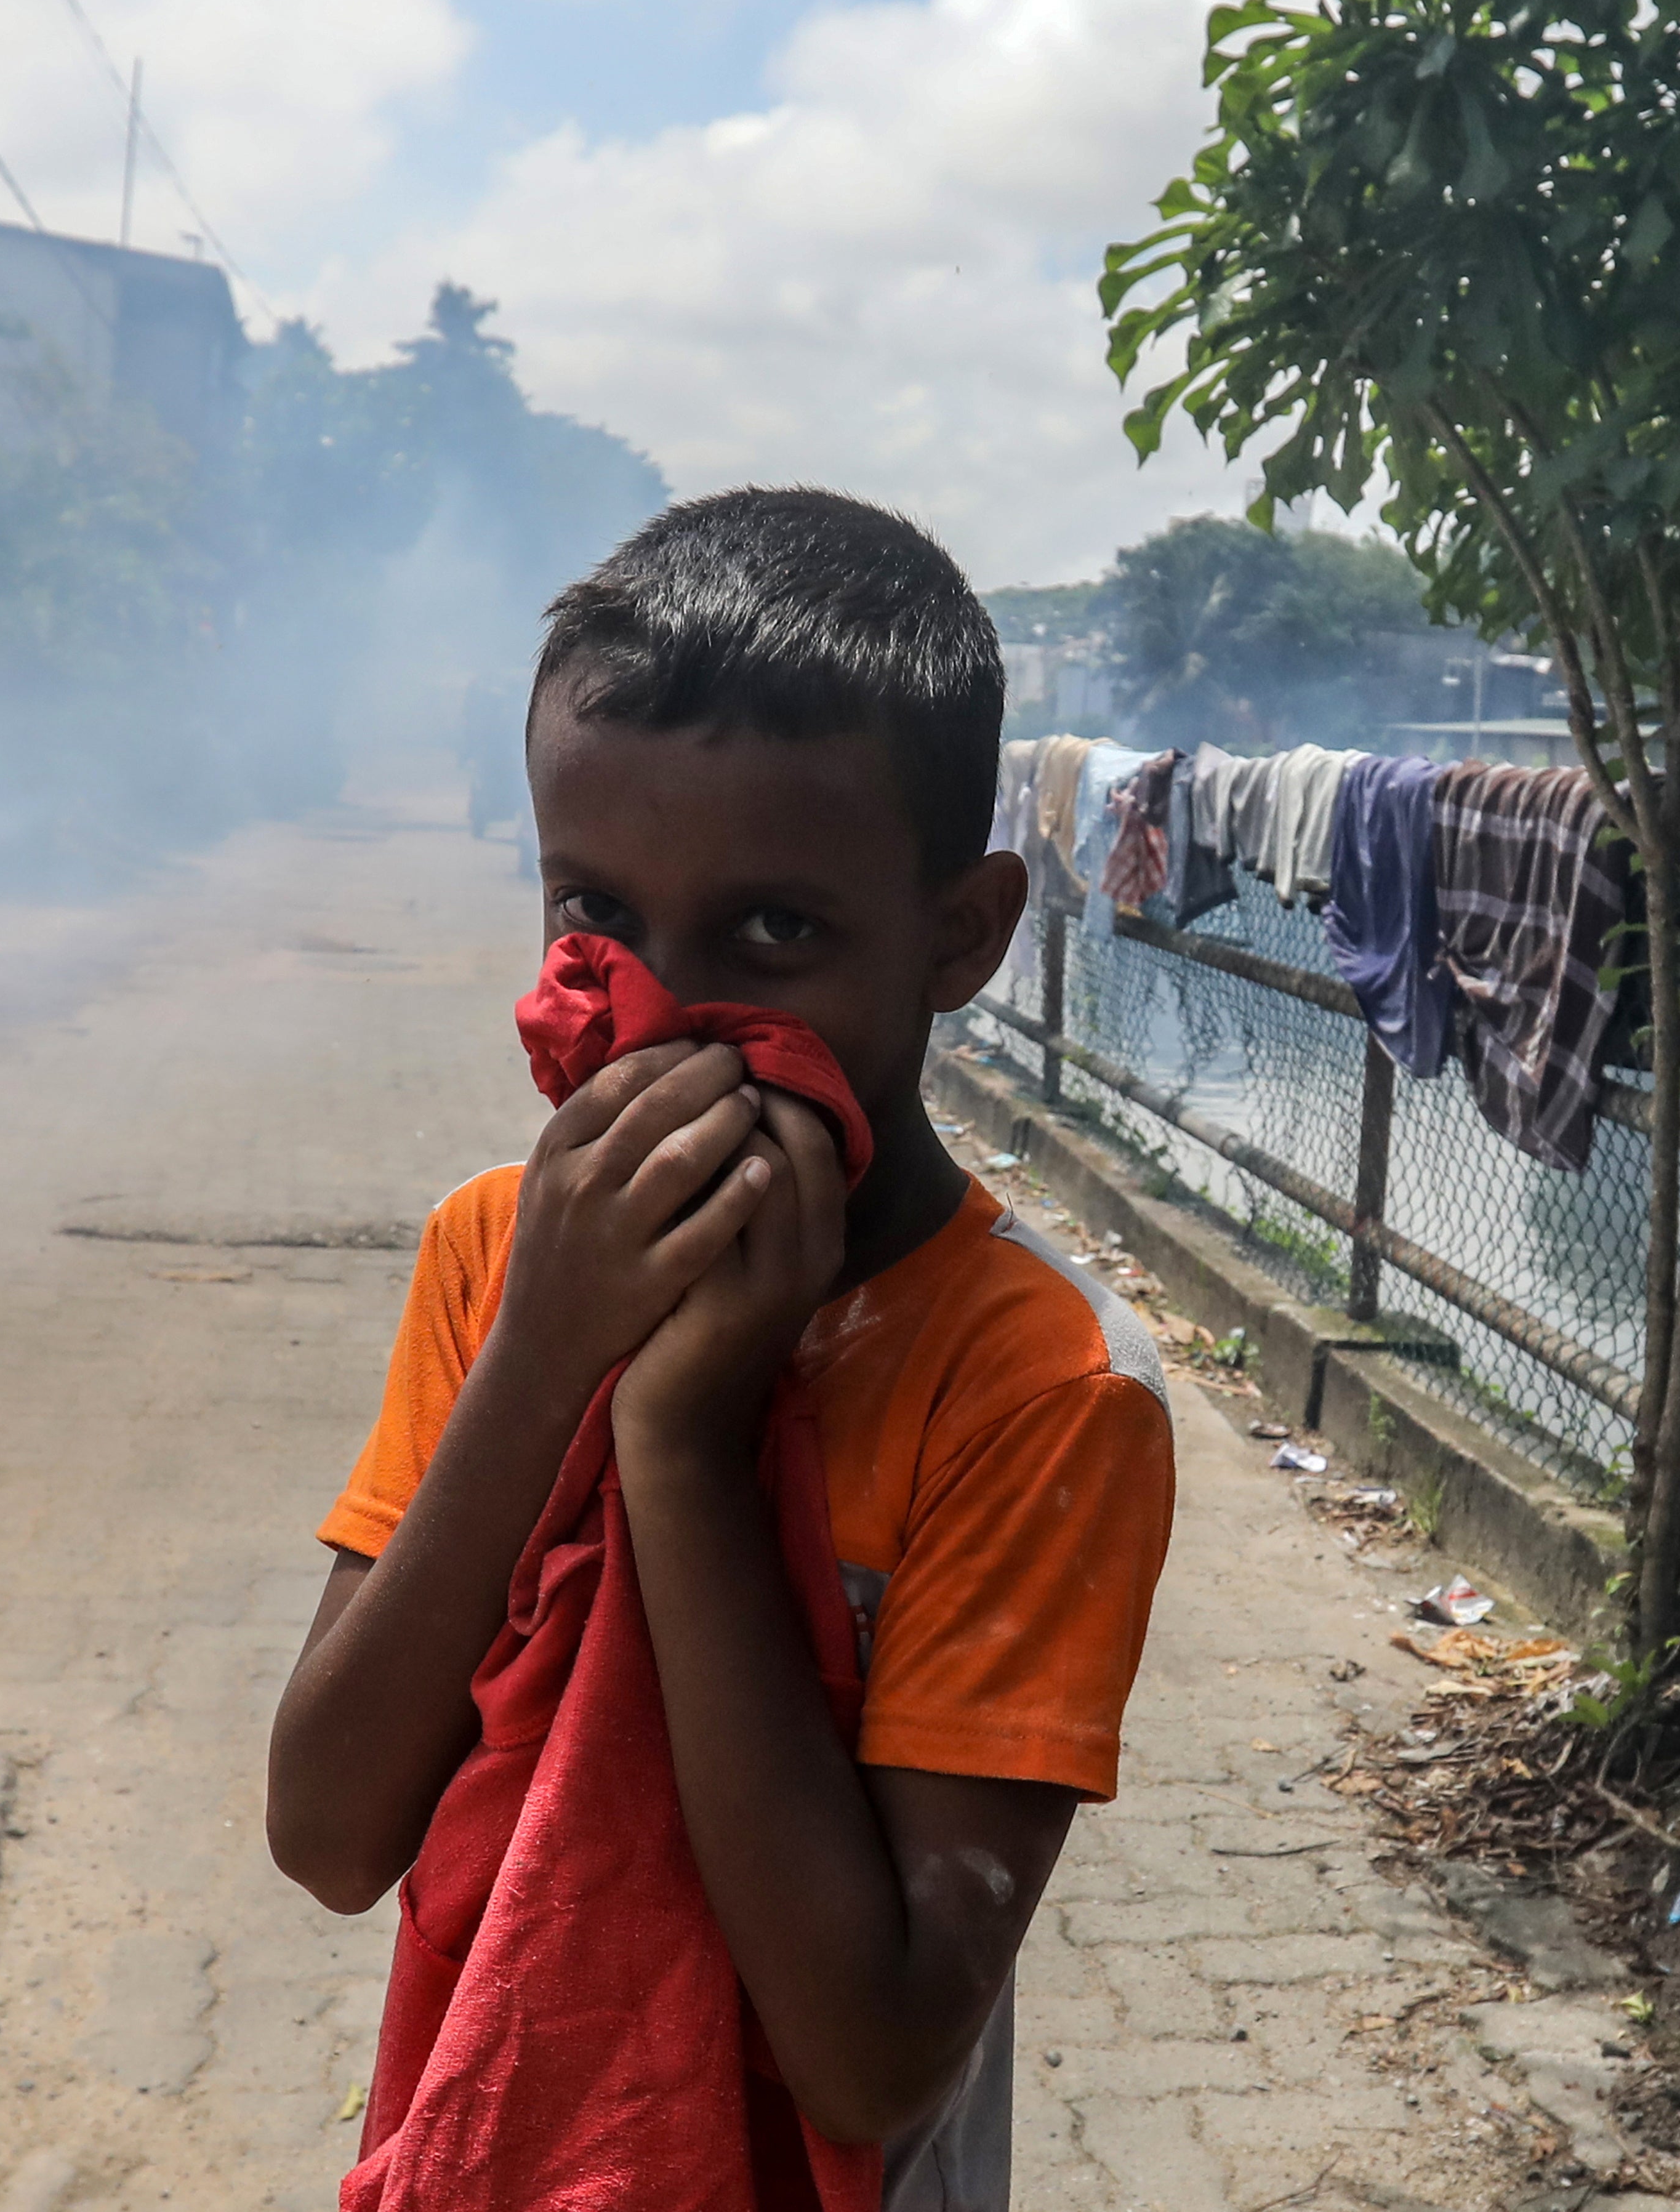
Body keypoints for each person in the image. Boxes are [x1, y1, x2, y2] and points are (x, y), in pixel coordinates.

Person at [268, 488, 1175, 2206]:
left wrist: (675, 1444)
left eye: (774, 934)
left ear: (961, 936)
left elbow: (872, 2049)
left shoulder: (1038, 1388)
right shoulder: (497, 1260)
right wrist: (547, 1352)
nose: (665, 1020)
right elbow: (326, 1832)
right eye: (595, 922)